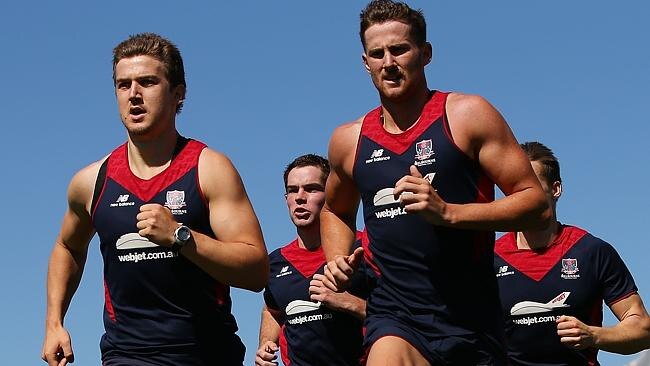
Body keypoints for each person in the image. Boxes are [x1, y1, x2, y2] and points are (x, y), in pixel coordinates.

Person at [320, 1, 552, 365]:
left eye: (399, 49)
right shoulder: (349, 140)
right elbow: (334, 209)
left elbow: (535, 205)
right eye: (377, 54)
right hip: (395, 315)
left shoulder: (467, 115)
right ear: (365, 63)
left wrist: (449, 213)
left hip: (470, 320)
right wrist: (336, 260)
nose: (388, 63)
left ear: (425, 54)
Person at [41, 33, 268, 366]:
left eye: (147, 82)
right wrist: (54, 322)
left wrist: (180, 236)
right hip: (126, 355)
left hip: (205, 353)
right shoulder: (91, 181)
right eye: (123, 84)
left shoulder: (208, 169)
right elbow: (68, 246)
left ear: (178, 94)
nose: (134, 95)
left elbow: (256, 271)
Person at [494, 141, 650, 365]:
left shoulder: (592, 251)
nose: (522, 195)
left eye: (532, 185)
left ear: (556, 189)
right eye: (514, 187)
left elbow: (643, 329)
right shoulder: (489, 258)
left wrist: (593, 335)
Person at [256, 154, 368, 366]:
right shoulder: (276, 262)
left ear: (331, 194)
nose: (300, 197)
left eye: (312, 188)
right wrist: (266, 343)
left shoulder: (362, 248)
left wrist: (349, 303)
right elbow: (272, 310)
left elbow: (399, 318)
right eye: (292, 190)